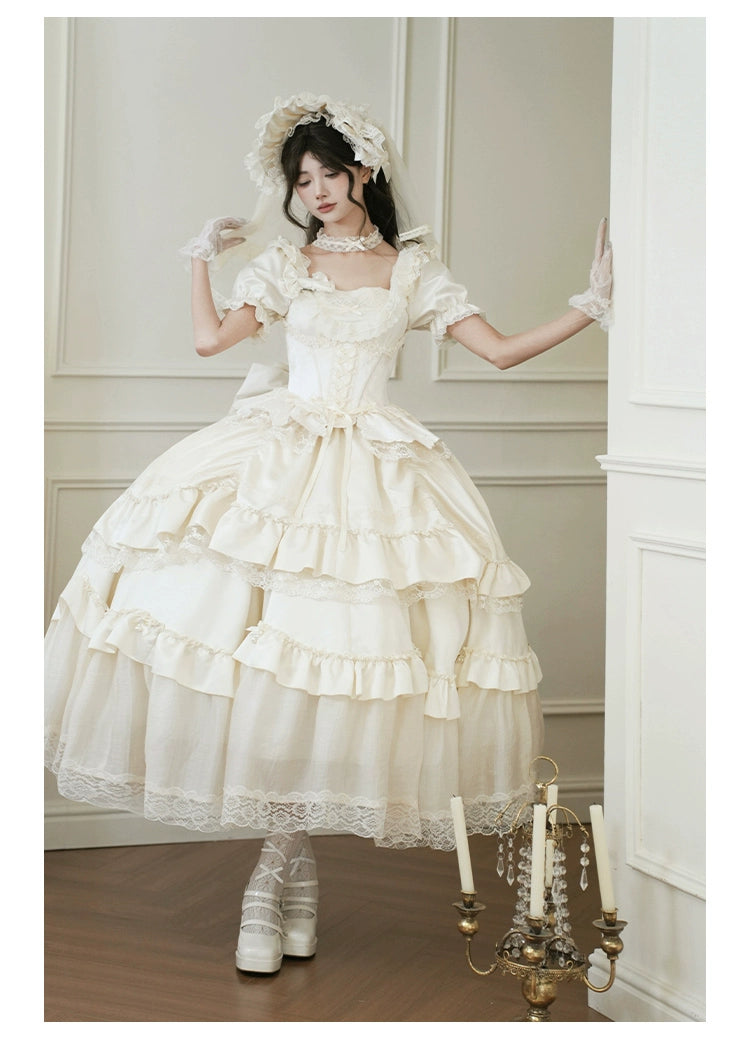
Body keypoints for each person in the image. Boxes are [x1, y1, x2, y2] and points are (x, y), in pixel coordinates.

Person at [44, 92, 612, 975]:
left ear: (364, 172)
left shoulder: (412, 269)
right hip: (278, 467)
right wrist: (199, 259)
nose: (314, 190)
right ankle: (285, 870)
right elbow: (209, 341)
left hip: (378, 479)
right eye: (301, 179)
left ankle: (280, 868)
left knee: (340, 667)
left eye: (328, 173)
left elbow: (499, 349)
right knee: (268, 666)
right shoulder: (286, 264)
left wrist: (591, 303)